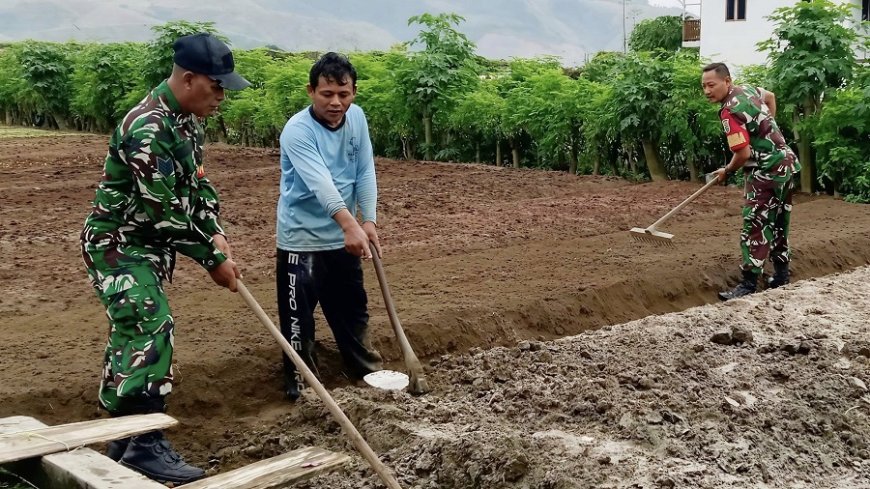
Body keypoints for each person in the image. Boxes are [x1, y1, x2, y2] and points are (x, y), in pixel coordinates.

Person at [80, 33, 250, 484]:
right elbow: (165, 212)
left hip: (148, 245)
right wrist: (211, 259)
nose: (222, 96)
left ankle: (122, 440)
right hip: (118, 245)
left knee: (131, 333)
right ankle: (145, 443)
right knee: (150, 325)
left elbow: (197, 185)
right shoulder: (148, 127)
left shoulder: (187, 121)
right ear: (189, 79)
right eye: (217, 86)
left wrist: (215, 230)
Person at [276, 52, 383, 402]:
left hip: (344, 237)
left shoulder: (357, 118)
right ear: (311, 91)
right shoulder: (298, 131)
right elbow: (320, 183)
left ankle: (368, 375)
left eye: (343, 94)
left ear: (353, 92)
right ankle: (303, 392)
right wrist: (350, 225)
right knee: (298, 323)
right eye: (327, 94)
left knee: (352, 311)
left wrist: (368, 220)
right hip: (301, 240)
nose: (336, 102)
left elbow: (364, 169)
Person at [702, 62, 800, 301]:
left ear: (727, 81)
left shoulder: (729, 112)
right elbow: (771, 96)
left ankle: (748, 284)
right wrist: (765, 132)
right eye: (703, 86)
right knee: (779, 220)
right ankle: (781, 276)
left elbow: (743, 153)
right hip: (786, 163)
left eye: (711, 85)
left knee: (755, 224)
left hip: (766, 170)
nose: (707, 91)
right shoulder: (747, 89)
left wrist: (727, 170)